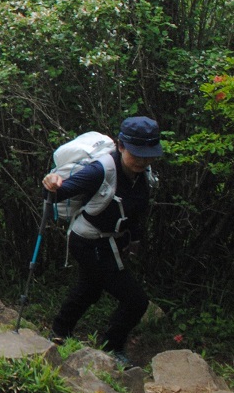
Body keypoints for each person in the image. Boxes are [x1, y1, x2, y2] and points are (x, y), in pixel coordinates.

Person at [42, 116, 163, 367]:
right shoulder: (101, 169)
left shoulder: (143, 174)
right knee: (136, 300)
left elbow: (136, 211)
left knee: (89, 288)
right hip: (88, 241)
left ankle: (59, 333)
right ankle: (112, 346)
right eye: (137, 154)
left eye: (147, 155)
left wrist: (135, 240)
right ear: (121, 146)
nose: (142, 160)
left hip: (110, 241)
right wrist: (52, 184)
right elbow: (56, 192)